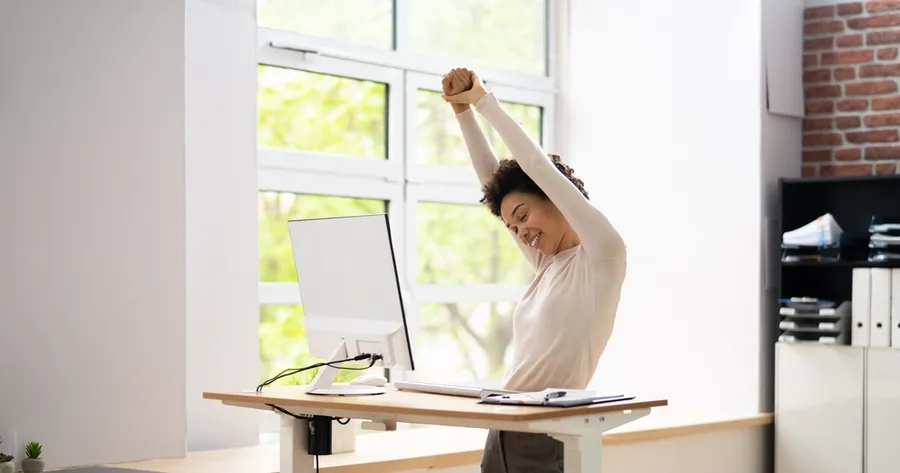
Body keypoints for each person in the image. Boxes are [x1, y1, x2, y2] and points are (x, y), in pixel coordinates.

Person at [440, 67, 627, 473]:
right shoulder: (547, 264)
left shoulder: (603, 254)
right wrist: (461, 113)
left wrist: (482, 100)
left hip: (546, 433)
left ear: (555, 198)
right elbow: (491, 178)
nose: (522, 233)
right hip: (502, 429)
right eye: (512, 227)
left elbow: (538, 167)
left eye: (523, 216)